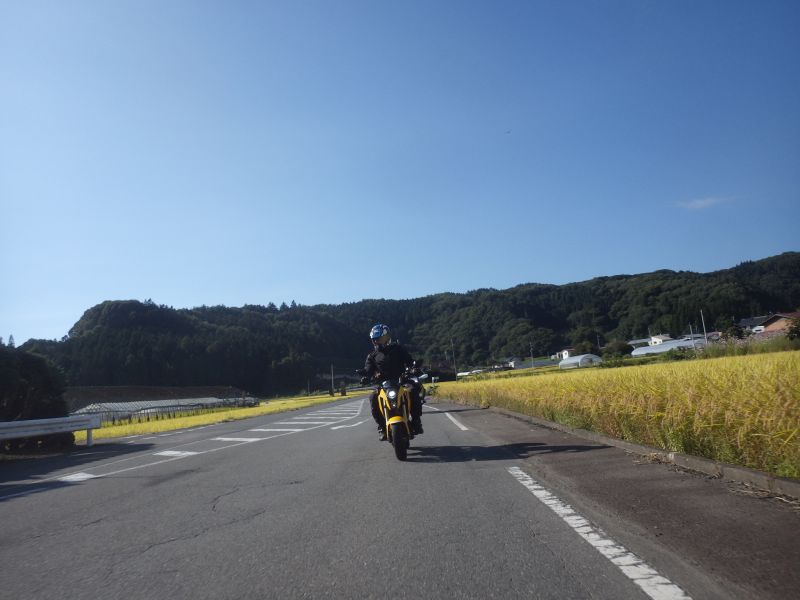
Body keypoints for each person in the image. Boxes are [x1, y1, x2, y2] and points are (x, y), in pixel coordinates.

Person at [361, 323, 423, 440]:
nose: (377, 342)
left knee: (413, 392)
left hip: (401, 381)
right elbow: (368, 370)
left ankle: (416, 421)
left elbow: (410, 361)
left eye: (380, 339)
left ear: (387, 337)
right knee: (373, 398)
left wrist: (414, 367)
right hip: (383, 385)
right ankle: (382, 427)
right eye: (375, 339)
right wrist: (365, 376)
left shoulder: (398, 349)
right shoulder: (372, 356)